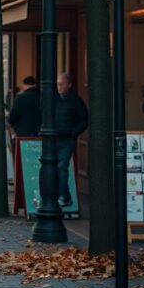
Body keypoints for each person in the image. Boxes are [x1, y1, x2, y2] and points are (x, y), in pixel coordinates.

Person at [55, 73, 89, 207]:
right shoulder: (54, 99)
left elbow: (84, 121)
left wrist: (73, 133)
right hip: (53, 138)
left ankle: (64, 196)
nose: (59, 87)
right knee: (51, 167)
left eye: (62, 84)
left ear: (69, 85)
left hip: (67, 139)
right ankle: (58, 195)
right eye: (58, 84)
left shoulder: (76, 101)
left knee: (61, 167)